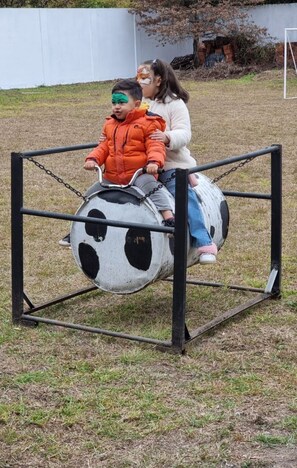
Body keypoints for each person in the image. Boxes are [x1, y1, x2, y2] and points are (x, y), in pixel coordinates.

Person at [136, 59, 217, 264]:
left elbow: (184, 133)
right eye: (138, 78)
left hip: (172, 165)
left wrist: (167, 137)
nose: (140, 83)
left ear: (158, 80)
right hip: (143, 166)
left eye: (144, 78)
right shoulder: (138, 103)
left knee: (184, 199)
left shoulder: (174, 104)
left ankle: (203, 242)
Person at [85, 79, 175, 224]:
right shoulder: (109, 124)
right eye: (114, 103)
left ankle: (168, 217)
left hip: (139, 173)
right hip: (113, 176)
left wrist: (154, 162)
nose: (116, 107)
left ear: (137, 104)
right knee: (90, 195)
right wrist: (93, 159)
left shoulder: (148, 123)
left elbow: (155, 146)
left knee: (151, 187)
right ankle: (79, 224)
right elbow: (103, 147)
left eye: (121, 102)